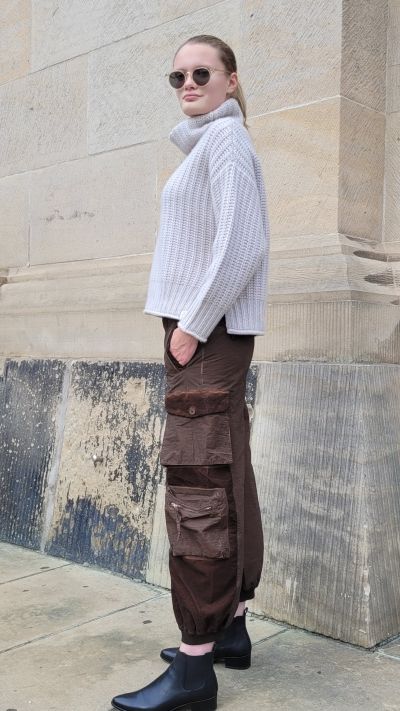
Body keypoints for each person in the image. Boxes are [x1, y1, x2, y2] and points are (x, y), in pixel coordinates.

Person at [111, 33, 270, 711]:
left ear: (231, 80)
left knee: (198, 488)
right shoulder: (212, 144)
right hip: (208, 337)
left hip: (205, 335)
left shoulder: (226, 140)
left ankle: (196, 666)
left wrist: (192, 326)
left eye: (202, 72)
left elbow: (242, 244)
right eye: (177, 76)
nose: (188, 83)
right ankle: (230, 627)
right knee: (226, 476)